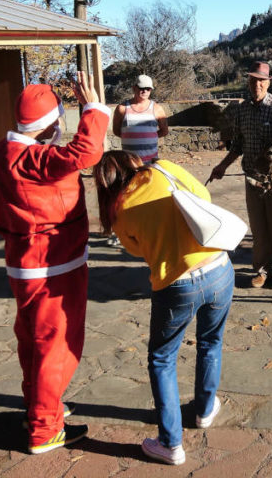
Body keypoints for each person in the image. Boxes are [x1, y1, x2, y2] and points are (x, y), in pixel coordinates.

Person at [0, 72, 110, 454]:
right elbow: (86, 152)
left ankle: (40, 405)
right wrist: (92, 108)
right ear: (50, 123)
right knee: (57, 344)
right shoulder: (37, 159)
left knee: (32, 340)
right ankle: (45, 429)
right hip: (56, 264)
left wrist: (18, 232)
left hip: (21, 262)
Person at [94, 150, 233, 467]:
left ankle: (170, 443)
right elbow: (203, 195)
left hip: (175, 285)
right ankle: (205, 409)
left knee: (162, 359)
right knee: (211, 341)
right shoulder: (165, 170)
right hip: (218, 269)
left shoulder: (118, 210)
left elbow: (135, 249)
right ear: (133, 162)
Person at [208, 61, 272, 289]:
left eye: (261, 80)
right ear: (248, 82)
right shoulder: (242, 109)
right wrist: (222, 166)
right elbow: (237, 144)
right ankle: (261, 270)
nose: (257, 84)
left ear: (268, 83)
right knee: (258, 227)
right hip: (252, 178)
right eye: (253, 80)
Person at [107, 74, 169, 248]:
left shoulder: (157, 109)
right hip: (127, 163)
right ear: (134, 88)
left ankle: (149, 231)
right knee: (123, 197)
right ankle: (120, 233)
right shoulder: (121, 108)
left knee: (150, 196)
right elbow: (117, 130)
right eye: (141, 88)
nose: (144, 91)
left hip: (150, 163)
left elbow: (164, 130)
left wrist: (148, 137)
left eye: (148, 89)